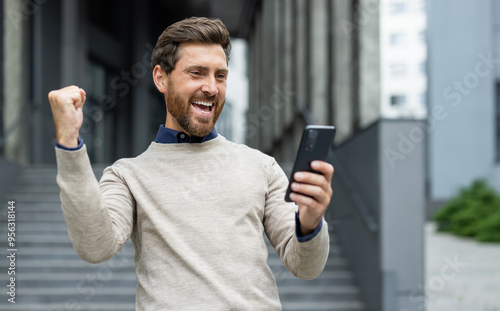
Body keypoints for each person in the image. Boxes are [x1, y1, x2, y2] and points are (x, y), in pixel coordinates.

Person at [48, 17, 334, 310]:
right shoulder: (127, 175)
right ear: (161, 78)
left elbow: (306, 267)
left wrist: (310, 220)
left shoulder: (262, 167)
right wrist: (69, 143)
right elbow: (95, 247)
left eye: (220, 76)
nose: (211, 88)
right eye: (197, 73)